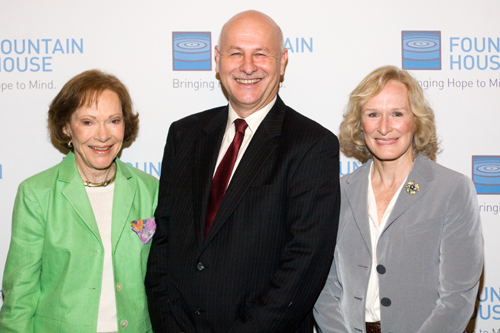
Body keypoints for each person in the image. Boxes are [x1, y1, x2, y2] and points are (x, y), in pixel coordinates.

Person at [145, 10, 340, 333]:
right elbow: (163, 244)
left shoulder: (311, 145)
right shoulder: (184, 135)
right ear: (218, 60)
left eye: (260, 54)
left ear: (282, 62)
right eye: (236, 53)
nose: (248, 66)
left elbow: (305, 264)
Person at [314, 65, 483, 333]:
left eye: (396, 113)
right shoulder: (340, 191)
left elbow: (457, 298)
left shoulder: (451, 190)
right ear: (360, 124)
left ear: (415, 120)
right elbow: (325, 286)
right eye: (373, 114)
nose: (384, 127)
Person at [0, 69, 159, 332]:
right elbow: (20, 296)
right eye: (88, 122)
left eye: (114, 120)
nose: (103, 135)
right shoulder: (37, 193)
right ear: (66, 128)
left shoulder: (150, 190)